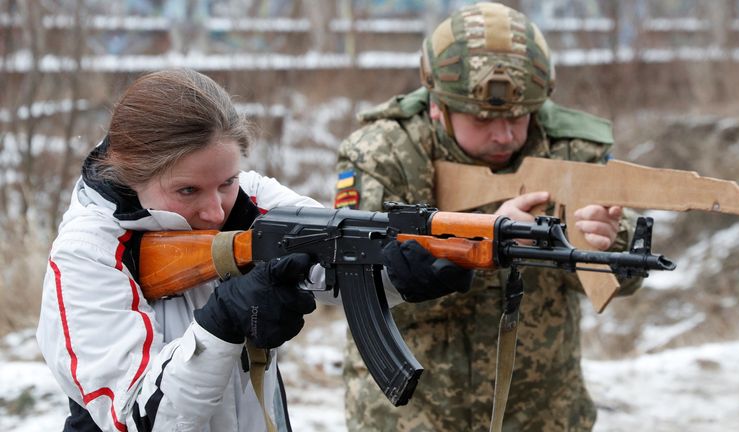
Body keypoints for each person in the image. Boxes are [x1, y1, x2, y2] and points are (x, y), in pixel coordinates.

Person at [36, 69, 471, 432]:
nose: (214, 209)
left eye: (227, 182)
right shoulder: (86, 253)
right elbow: (142, 417)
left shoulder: (252, 200)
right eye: (188, 190)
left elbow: (333, 259)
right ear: (132, 176)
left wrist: (398, 270)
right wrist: (222, 324)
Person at [335, 3, 643, 431]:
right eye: (483, 119)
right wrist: (487, 239)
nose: (505, 134)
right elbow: (352, 272)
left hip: (541, 411)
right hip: (412, 413)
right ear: (438, 105)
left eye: (518, 117)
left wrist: (606, 240)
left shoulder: (571, 147)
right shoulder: (384, 151)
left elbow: (619, 281)